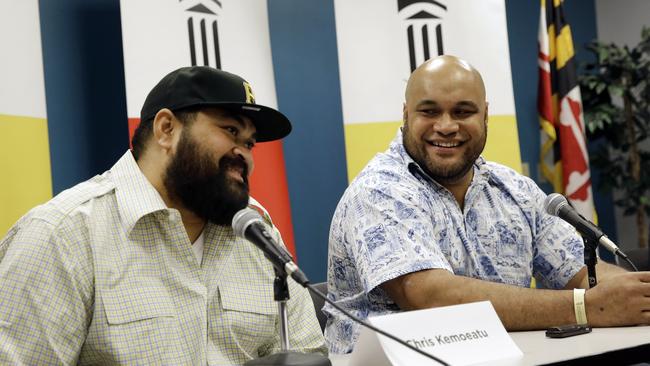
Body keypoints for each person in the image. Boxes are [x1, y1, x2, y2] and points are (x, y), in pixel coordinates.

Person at [324, 55, 650, 354]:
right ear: (406, 114)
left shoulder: (515, 189)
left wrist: (629, 294)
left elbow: (579, 273)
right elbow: (431, 298)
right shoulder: (378, 190)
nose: (447, 125)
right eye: (429, 111)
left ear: (485, 115)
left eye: (463, 112)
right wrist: (586, 307)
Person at [0, 66, 326, 364]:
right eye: (230, 131)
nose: (245, 156)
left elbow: (308, 354)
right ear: (166, 129)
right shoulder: (62, 235)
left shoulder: (255, 234)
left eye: (250, 143)